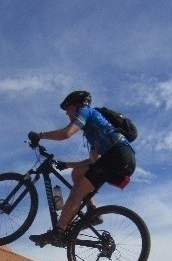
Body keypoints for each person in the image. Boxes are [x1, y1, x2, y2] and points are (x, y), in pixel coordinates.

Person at [28, 90, 136, 247]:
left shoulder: (86, 112)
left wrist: (40, 135)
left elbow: (66, 133)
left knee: (78, 190)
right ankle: (92, 212)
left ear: (77, 106)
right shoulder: (93, 133)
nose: (66, 113)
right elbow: (93, 162)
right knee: (78, 173)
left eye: (67, 109)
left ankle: (58, 232)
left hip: (119, 155)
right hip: (122, 158)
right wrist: (67, 164)